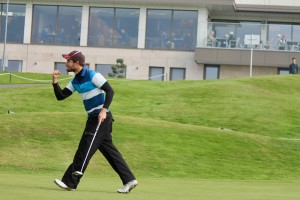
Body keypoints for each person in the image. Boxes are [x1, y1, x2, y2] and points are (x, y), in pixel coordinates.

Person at [52, 50, 138, 193]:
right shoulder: (75, 81)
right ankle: (129, 179)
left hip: (101, 117)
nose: (66, 63)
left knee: (85, 147)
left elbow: (110, 91)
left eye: (69, 61)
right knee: (110, 152)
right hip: (93, 117)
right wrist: (54, 82)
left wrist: (104, 110)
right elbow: (61, 96)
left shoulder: (93, 75)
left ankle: (70, 182)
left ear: (77, 63)